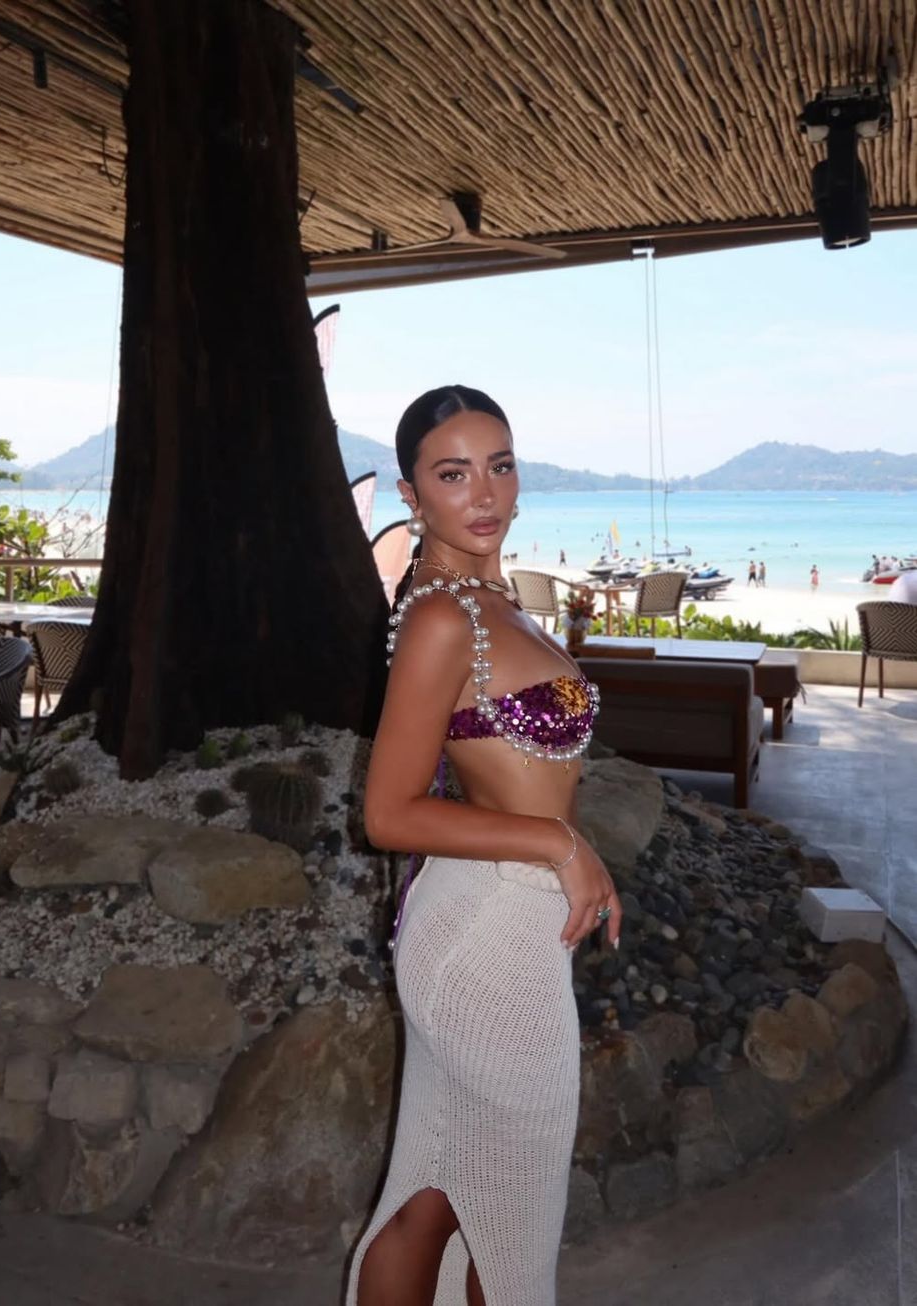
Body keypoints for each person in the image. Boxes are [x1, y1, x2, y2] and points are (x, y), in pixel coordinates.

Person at [347, 385, 620, 1306]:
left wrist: (571, 853)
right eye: (453, 473)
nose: (485, 492)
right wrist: (559, 845)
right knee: (510, 1213)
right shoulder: (440, 618)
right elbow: (388, 814)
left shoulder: (492, 600)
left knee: (440, 1195)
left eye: (499, 466)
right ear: (412, 495)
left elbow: (523, 778)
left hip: (508, 921)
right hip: (484, 932)